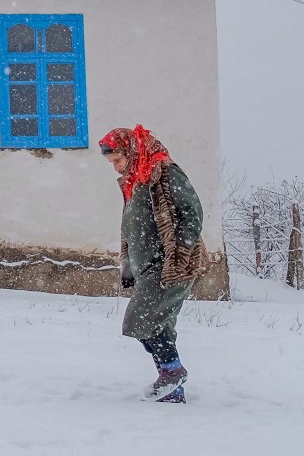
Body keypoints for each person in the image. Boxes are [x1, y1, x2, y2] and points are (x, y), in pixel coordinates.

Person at [99, 125, 209, 404]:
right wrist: (128, 265)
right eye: (112, 163)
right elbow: (130, 227)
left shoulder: (164, 171)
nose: (116, 167)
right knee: (161, 327)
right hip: (147, 267)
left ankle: (172, 372)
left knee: (140, 320)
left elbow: (192, 212)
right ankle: (173, 391)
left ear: (133, 150)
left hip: (169, 265)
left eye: (118, 160)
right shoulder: (135, 180)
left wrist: (181, 252)